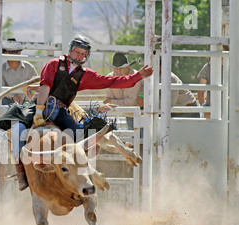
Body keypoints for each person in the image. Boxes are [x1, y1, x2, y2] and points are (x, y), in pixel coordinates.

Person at [11, 35, 153, 191]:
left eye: (82, 53)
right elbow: (45, 87)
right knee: (18, 129)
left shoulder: (85, 75)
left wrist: (137, 76)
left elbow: (110, 81)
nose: (79, 55)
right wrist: (38, 111)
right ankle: (21, 173)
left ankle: (83, 174)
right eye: (77, 52)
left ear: (86, 55)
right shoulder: (53, 64)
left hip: (59, 110)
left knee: (82, 137)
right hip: (40, 103)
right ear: (70, 51)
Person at [102, 52, 144, 130]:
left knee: (140, 138)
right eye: (115, 68)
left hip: (140, 114)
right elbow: (108, 102)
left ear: (128, 68)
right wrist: (112, 101)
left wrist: (112, 101)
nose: (117, 71)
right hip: (128, 113)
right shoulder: (109, 78)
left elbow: (131, 102)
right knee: (134, 137)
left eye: (120, 68)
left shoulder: (136, 78)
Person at [2, 38, 38, 105]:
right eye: (11, 52)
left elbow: (37, 87)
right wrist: (13, 96)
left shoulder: (29, 67)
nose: (14, 54)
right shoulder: (1, 69)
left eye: (16, 51)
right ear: (5, 53)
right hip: (9, 103)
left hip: (28, 103)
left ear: (19, 52)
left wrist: (31, 95)